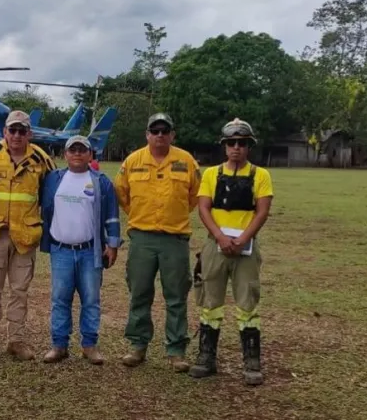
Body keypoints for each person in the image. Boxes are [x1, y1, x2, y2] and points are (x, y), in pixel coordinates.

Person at [113, 112, 200, 373]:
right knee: (139, 293)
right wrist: (141, 217)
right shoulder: (132, 161)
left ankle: (176, 350)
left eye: (165, 131)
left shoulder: (186, 161)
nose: (160, 135)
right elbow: (122, 194)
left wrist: (174, 215)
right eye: (155, 130)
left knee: (176, 296)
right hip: (142, 238)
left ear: (172, 135)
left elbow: (195, 196)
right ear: (147, 134)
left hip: (175, 238)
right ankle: (138, 346)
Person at [189, 118, 272, 385]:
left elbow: (262, 211)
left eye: (242, 143)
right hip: (216, 245)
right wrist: (220, 237)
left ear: (249, 147)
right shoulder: (211, 174)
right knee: (210, 301)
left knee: (248, 301)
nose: (237, 148)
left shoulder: (261, 175)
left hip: (245, 247)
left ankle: (251, 361)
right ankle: (206, 356)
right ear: (224, 147)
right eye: (232, 143)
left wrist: (243, 238)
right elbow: (203, 208)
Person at [0, 110, 55, 361]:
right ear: (4, 132)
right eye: (13, 130)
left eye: (22, 130)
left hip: (25, 236)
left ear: (29, 133)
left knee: (20, 291)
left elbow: (51, 196)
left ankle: (16, 340)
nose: (17, 135)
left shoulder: (41, 159)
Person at [39, 135, 121, 365]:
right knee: (59, 299)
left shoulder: (101, 181)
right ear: (65, 154)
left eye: (82, 150)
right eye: (72, 150)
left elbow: (112, 214)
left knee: (91, 299)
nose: (77, 154)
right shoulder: (53, 179)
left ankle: (89, 345)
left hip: (89, 251)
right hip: (61, 250)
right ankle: (59, 345)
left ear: (90, 154)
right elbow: (44, 209)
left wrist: (112, 244)